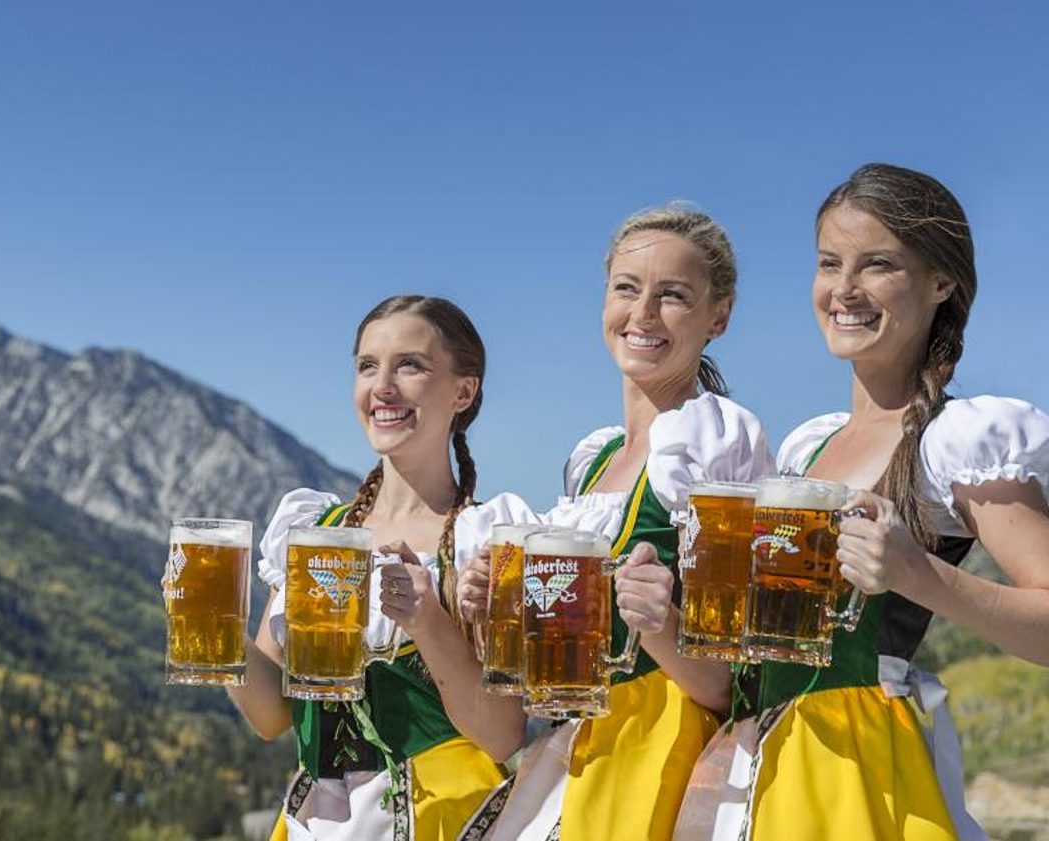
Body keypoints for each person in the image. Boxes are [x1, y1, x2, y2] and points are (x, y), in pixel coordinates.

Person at [675, 163, 1049, 841]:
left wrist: (918, 574)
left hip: (862, 766)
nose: (843, 289)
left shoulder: (955, 440)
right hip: (760, 760)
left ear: (942, 283)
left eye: (877, 264)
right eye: (829, 263)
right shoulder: (807, 449)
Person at [457, 206, 775, 840]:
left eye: (673, 296)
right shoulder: (592, 461)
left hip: (666, 753)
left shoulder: (716, 447)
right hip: (581, 747)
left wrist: (658, 625)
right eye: (627, 289)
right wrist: (492, 608)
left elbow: (739, 684)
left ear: (720, 316)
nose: (643, 314)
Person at [227, 295, 539, 841]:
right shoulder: (314, 530)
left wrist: (429, 622)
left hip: (449, 817)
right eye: (368, 366)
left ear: (463, 392)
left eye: (410, 365)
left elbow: (503, 734)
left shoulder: (487, 539)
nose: (383, 386)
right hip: (318, 822)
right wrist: (216, 628)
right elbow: (272, 717)